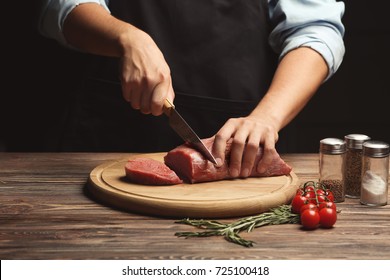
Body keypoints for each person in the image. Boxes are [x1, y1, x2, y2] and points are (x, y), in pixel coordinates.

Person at [37, 0, 345, 178]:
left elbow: (315, 29)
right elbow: (61, 6)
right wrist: (127, 38)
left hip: (245, 130)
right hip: (110, 127)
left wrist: (267, 117)